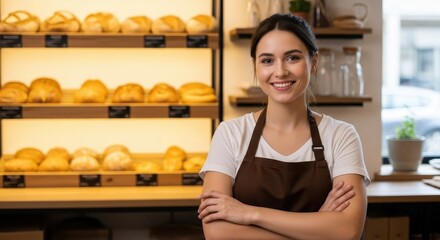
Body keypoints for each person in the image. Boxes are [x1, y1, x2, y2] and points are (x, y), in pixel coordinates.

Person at [198, 13, 371, 240]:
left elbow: (347, 231)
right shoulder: (230, 134)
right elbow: (217, 233)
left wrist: (250, 214)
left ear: (314, 61)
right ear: (256, 66)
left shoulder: (341, 135)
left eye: (292, 58)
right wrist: (318, 228)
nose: (280, 71)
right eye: (267, 60)